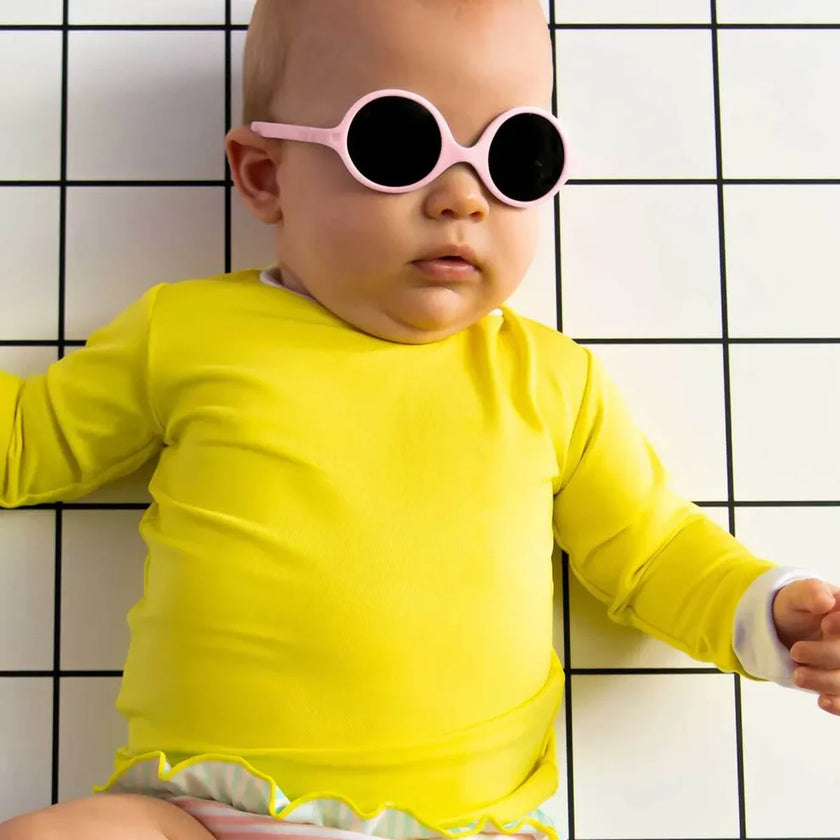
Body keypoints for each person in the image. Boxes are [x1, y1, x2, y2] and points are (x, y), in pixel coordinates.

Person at [1, 1, 838, 838]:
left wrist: (772, 613)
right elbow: (27, 443)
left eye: (516, 156)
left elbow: (653, 554)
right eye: (396, 145)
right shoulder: (187, 332)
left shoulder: (551, 382)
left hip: (466, 825)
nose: (462, 199)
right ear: (264, 176)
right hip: (202, 810)